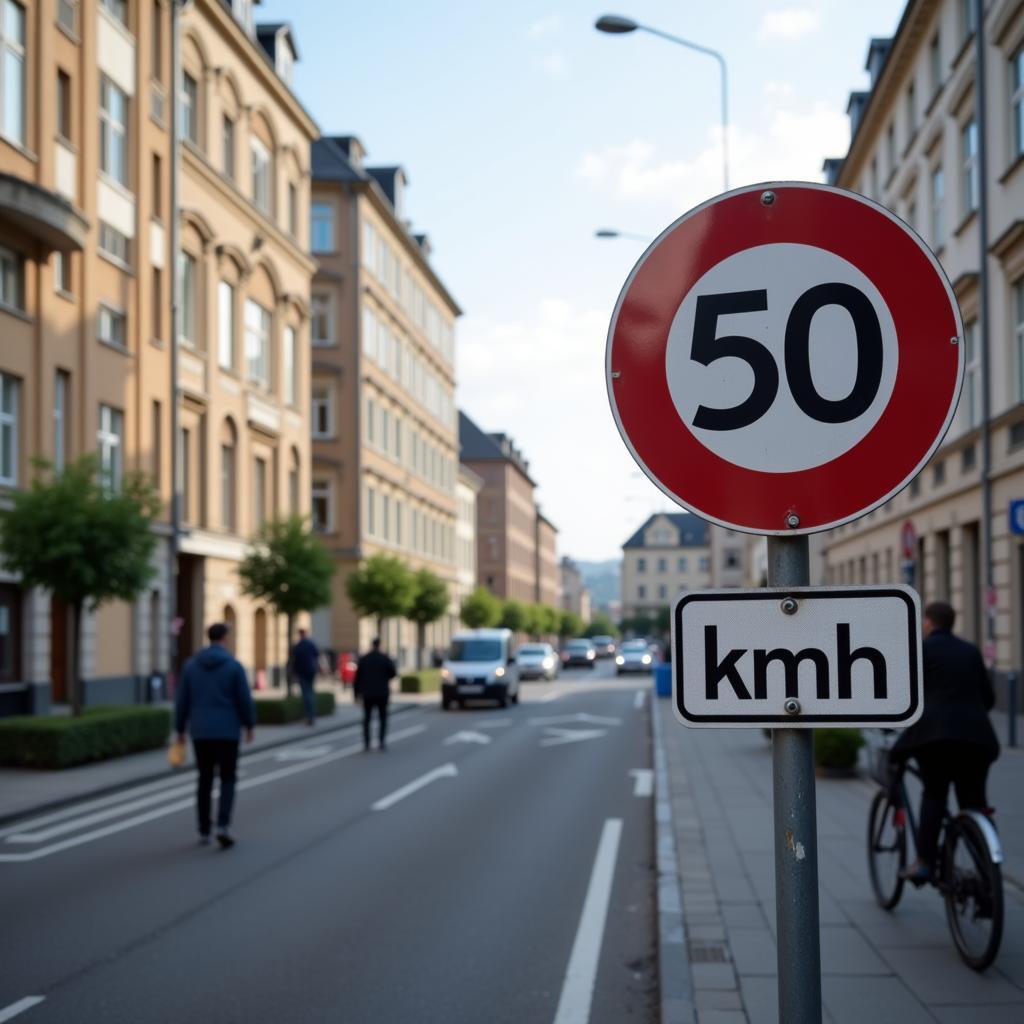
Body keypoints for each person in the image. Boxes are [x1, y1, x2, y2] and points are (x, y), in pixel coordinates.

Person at [891, 600, 1000, 882]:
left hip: (935, 739)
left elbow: (908, 699)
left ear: (928, 622)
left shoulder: (922, 650)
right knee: (974, 802)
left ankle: (924, 862)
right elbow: (988, 698)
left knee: (934, 792)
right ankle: (986, 866)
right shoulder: (970, 651)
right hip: (978, 739)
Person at [175, 622, 256, 848]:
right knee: (228, 778)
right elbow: (244, 700)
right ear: (225, 638)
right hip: (228, 731)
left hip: (200, 732)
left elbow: (182, 700)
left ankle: (203, 830)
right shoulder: (234, 666)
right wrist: (249, 725)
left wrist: (180, 729)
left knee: (204, 779)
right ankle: (223, 824)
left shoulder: (191, 666)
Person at [354, 637, 397, 752]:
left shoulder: (364, 659)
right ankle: (381, 741)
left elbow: (357, 678)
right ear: (380, 645)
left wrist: (356, 694)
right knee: (382, 718)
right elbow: (393, 673)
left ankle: (367, 743)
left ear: (372, 645)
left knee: (367, 719)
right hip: (382, 693)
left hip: (367, 693)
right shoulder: (385, 658)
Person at [290, 627, 321, 726]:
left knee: (306, 694)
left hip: (302, 673)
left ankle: (310, 716)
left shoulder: (298, 646)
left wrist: (294, 672)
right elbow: (317, 657)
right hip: (311, 672)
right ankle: (311, 716)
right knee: (310, 693)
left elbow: (294, 661)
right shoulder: (311, 644)